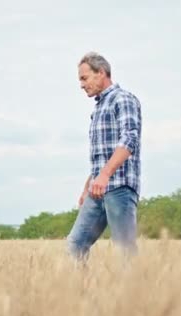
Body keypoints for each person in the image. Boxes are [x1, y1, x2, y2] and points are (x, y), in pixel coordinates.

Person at [67, 52, 142, 262]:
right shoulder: (99, 107)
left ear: (101, 73)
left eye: (84, 78)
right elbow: (102, 156)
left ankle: (138, 294)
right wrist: (87, 187)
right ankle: (81, 293)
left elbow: (129, 140)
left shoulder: (123, 99)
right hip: (97, 190)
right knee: (75, 244)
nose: (81, 85)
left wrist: (105, 176)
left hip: (119, 188)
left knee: (124, 252)